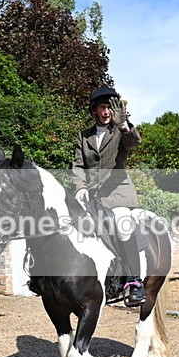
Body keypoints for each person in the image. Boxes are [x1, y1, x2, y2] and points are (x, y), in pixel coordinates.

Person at [72, 86, 145, 307]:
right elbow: (77, 165)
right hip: (91, 197)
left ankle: (134, 282)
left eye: (110, 108)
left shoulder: (119, 132)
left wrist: (124, 125)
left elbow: (134, 142)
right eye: (103, 107)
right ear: (95, 110)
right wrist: (79, 187)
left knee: (122, 227)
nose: (106, 112)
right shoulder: (84, 136)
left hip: (117, 194)